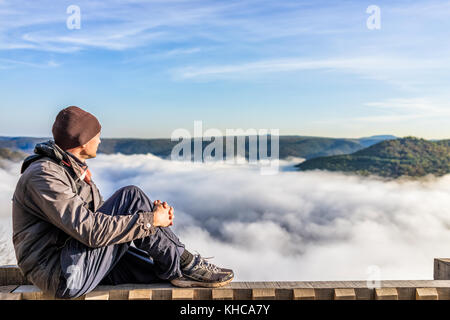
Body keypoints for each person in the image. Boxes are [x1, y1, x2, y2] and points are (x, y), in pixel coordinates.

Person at [12, 106, 234, 299]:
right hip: (62, 273)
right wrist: (150, 219)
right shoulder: (44, 176)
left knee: (155, 269)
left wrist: (154, 219)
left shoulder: (68, 171)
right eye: (96, 135)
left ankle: (180, 267)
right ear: (81, 140)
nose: (100, 140)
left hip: (74, 261)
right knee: (131, 197)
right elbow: (91, 230)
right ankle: (186, 263)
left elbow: (99, 218)